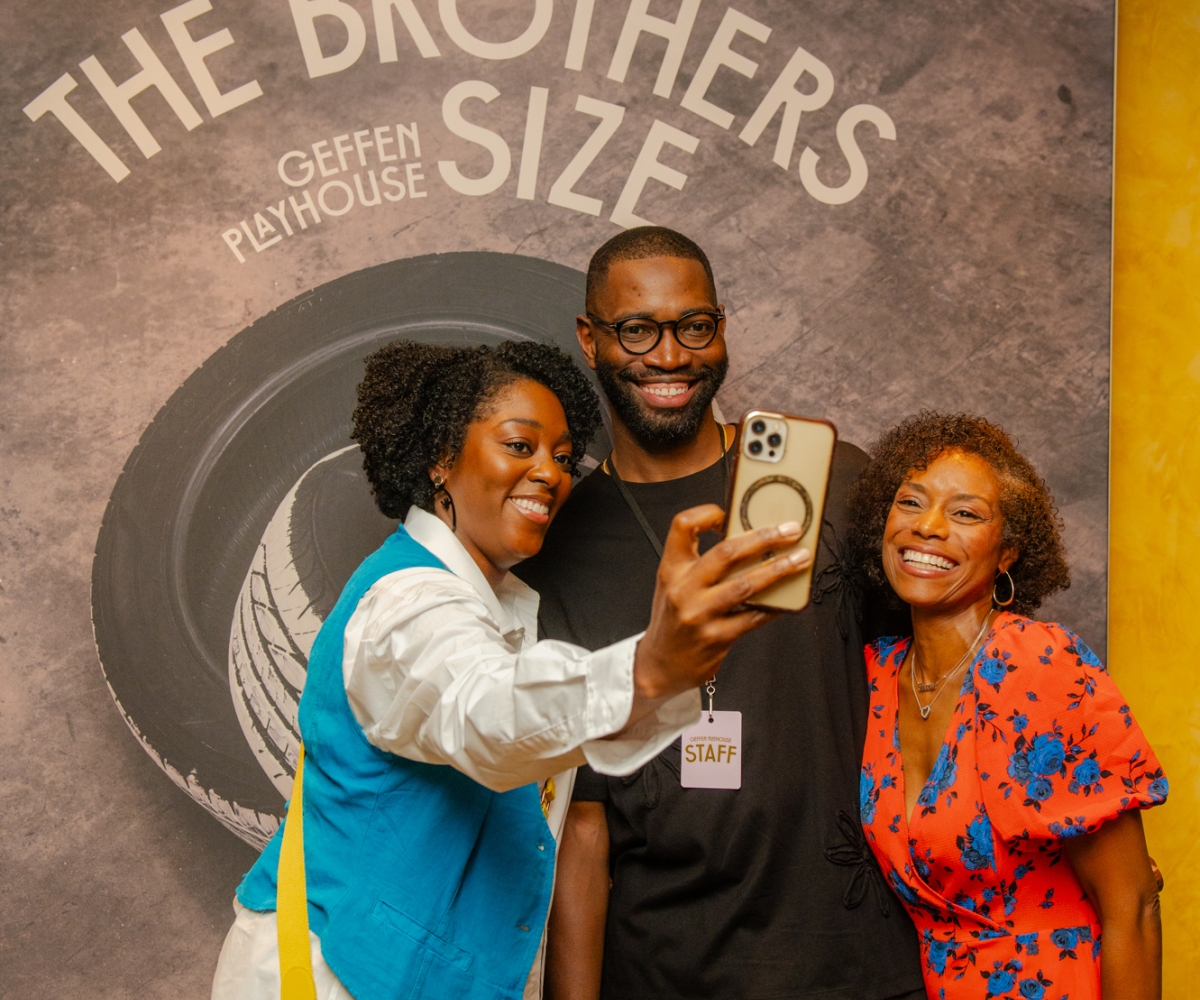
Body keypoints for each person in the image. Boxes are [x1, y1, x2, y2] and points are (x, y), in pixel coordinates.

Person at [211, 339, 811, 1000]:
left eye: (563, 457)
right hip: (335, 977)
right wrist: (650, 666)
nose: (550, 473)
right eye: (520, 446)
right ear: (441, 459)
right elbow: (486, 711)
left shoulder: (506, 609)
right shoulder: (405, 602)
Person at [516, 228, 925, 1000]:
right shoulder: (558, 548)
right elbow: (581, 825)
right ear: (590, 339)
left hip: (856, 965)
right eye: (637, 330)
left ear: (722, 329)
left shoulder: (829, 483)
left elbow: (939, 692)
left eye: (694, 326)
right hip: (662, 971)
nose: (670, 355)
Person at [849, 411, 1167, 1000]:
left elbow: (1134, 906)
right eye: (910, 503)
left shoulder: (1038, 665)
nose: (928, 527)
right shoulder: (874, 676)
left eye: (966, 514)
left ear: (1008, 553)